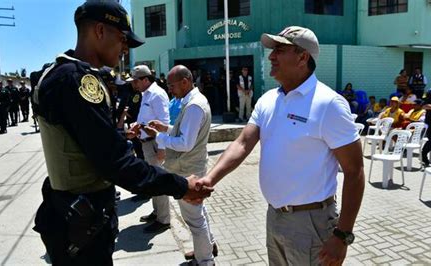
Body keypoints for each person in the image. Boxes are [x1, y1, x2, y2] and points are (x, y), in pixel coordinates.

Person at [30, 2, 212, 265]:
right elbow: (116, 164)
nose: (125, 48)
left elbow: (83, 140)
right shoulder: (79, 81)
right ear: (100, 31)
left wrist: (120, 136)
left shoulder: (59, 73)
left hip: (72, 214)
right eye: (122, 38)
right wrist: (181, 186)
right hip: (82, 223)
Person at [195, 26, 365, 265]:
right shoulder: (268, 100)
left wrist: (342, 234)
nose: (271, 56)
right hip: (275, 216)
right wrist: (210, 178)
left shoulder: (329, 104)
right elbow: (243, 143)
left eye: (279, 50)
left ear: (302, 57)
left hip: (312, 222)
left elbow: (355, 171)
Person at [143, 65, 217, 265]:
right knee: (198, 212)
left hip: (188, 168)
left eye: (172, 85)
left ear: (185, 82)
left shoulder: (193, 105)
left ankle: (205, 260)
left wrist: (158, 136)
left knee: (194, 218)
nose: (170, 90)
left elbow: (185, 143)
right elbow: (183, 131)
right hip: (191, 164)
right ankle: (207, 245)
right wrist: (165, 128)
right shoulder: (191, 101)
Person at [127, 65, 172, 233]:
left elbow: (164, 122)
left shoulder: (157, 94)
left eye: (136, 81)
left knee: (159, 181)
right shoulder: (146, 94)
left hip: (155, 143)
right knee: (153, 180)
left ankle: (164, 219)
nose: (134, 84)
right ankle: (158, 212)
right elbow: (145, 118)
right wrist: (137, 126)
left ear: (145, 79)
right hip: (147, 143)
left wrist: (162, 148)